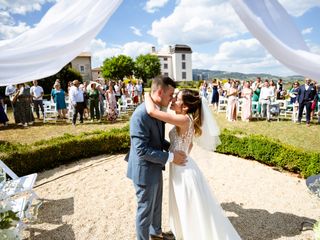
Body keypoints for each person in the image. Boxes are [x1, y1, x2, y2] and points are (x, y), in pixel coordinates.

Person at [145, 88, 241, 240]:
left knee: (187, 204)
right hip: (181, 165)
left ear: (185, 106)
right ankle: (183, 232)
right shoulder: (184, 118)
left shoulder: (184, 119)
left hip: (184, 170)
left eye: (177, 98)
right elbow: (188, 145)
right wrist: (178, 150)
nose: (173, 100)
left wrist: (147, 94)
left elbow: (151, 111)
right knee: (183, 202)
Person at [126, 76, 187, 240]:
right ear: (160, 91)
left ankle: (156, 234)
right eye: (171, 94)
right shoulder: (141, 115)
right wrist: (172, 156)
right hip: (144, 170)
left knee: (156, 205)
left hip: (155, 166)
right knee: (145, 210)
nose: (172, 98)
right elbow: (141, 150)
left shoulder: (157, 109)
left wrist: (174, 148)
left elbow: (158, 140)